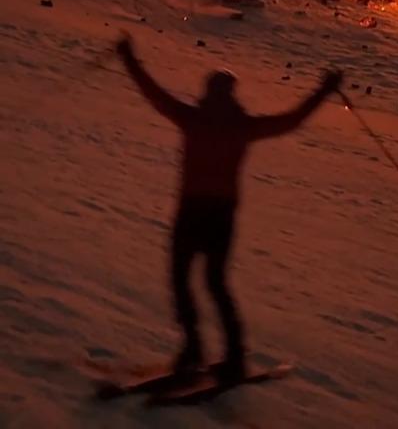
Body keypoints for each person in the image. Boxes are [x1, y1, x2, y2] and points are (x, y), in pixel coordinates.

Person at [116, 33, 342, 381]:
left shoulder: (193, 117)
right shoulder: (241, 125)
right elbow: (292, 119)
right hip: (221, 214)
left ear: (208, 92)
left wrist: (127, 57)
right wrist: (324, 91)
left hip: (193, 211)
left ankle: (195, 350)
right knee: (214, 282)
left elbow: (152, 93)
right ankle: (230, 355)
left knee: (183, 279)